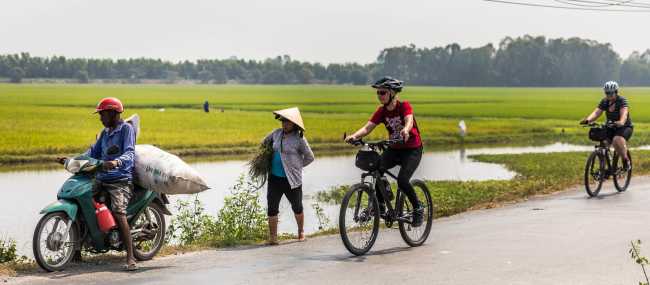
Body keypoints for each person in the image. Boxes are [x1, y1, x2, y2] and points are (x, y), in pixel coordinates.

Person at [61, 97, 137, 270]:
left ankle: (130, 257)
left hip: (120, 180)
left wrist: (117, 162)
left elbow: (130, 153)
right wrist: (71, 160)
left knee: (119, 211)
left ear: (113, 113)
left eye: (103, 114)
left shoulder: (126, 129)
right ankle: (76, 250)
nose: (100, 118)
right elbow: (92, 153)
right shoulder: (105, 133)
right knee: (81, 200)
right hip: (101, 178)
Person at [345, 76, 424, 227]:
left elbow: (409, 121)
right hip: (394, 149)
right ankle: (380, 205)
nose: (379, 95)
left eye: (383, 92)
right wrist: (354, 136)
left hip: (412, 149)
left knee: (402, 180)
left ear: (392, 93)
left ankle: (418, 208)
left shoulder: (404, 106)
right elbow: (368, 127)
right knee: (376, 168)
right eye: (378, 93)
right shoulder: (381, 111)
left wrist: (406, 130)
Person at [262, 107, 314, 245]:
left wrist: (297, 167)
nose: (284, 124)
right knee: (272, 208)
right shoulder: (276, 134)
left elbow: (310, 157)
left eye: (287, 122)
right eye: (283, 121)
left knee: (297, 206)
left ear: (294, 124)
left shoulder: (299, 139)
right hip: (274, 178)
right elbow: (264, 143)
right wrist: (265, 155)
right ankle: (273, 237)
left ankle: (301, 231)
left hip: (292, 180)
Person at [581, 81, 633, 171]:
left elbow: (624, 113)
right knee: (604, 143)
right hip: (611, 126)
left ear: (616, 92)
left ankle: (625, 160)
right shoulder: (605, 101)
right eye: (607, 93)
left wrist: (621, 122)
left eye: (611, 93)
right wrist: (588, 120)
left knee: (617, 140)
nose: (608, 95)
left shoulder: (621, 101)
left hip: (624, 127)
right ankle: (603, 170)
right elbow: (597, 112)